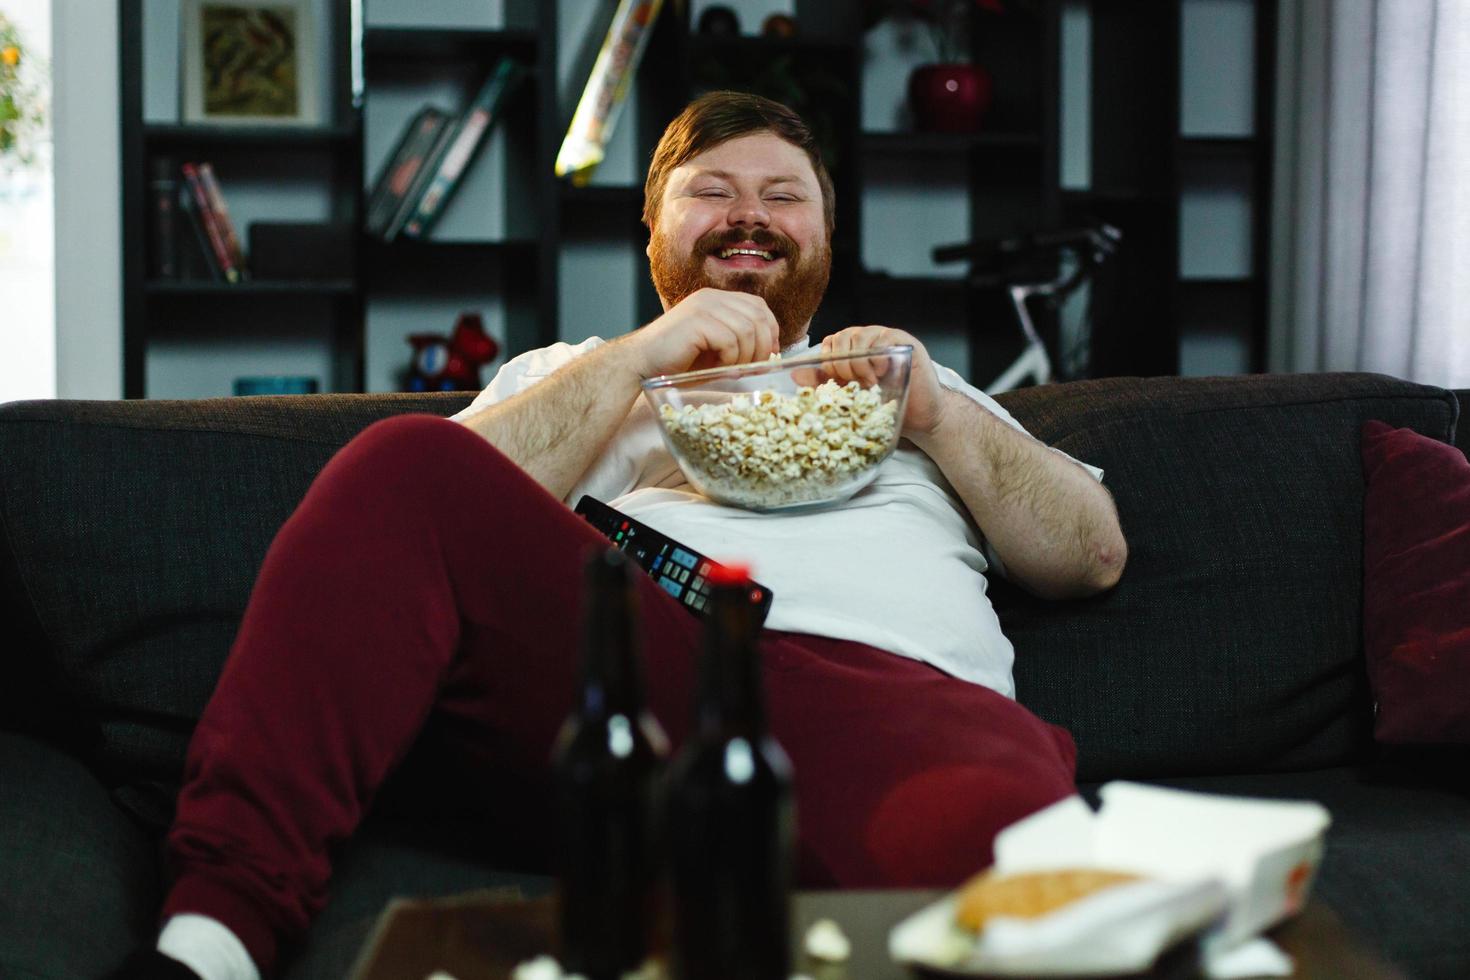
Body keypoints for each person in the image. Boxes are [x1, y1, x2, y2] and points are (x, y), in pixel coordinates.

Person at [120, 92, 1127, 980]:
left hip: (897, 704)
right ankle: (214, 938)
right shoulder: (576, 374)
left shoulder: (913, 382)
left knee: (1024, 879)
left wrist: (935, 412)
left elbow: (1092, 553)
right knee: (401, 454)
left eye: (785, 195)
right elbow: (403, 525)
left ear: (827, 232)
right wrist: (640, 363)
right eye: (711, 190)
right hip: (645, 690)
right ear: (650, 224)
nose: (748, 216)